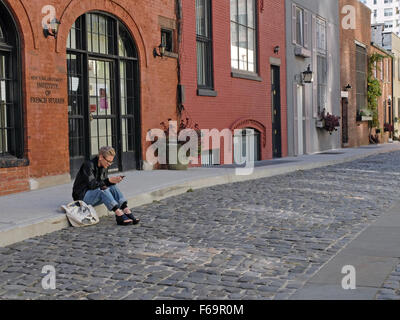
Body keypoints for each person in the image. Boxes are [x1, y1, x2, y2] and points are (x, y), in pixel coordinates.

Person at [72, 146, 140, 226]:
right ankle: (118, 213)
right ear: (101, 157)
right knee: (102, 190)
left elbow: (103, 183)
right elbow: (92, 185)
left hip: (94, 195)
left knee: (112, 187)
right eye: (108, 161)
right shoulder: (88, 165)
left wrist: (113, 181)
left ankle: (126, 210)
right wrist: (109, 181)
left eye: (111, 162)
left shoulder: (104, 166)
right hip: (82, 197)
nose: (109, 164)